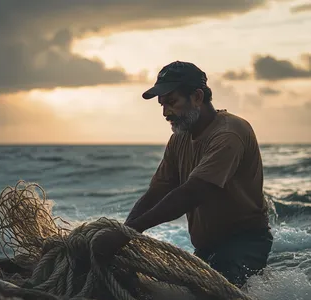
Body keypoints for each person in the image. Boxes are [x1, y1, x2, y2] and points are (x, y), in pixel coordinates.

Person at [94, 61, 273, 288]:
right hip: (206, 245)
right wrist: (123, 234)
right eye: (162, 105)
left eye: (171, 102)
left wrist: (129, 232)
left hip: (244, 242)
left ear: (197, 97)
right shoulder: (180, 137)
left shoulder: (229, 134)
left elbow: (192, 193)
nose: (165, 112)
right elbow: (158, 191)